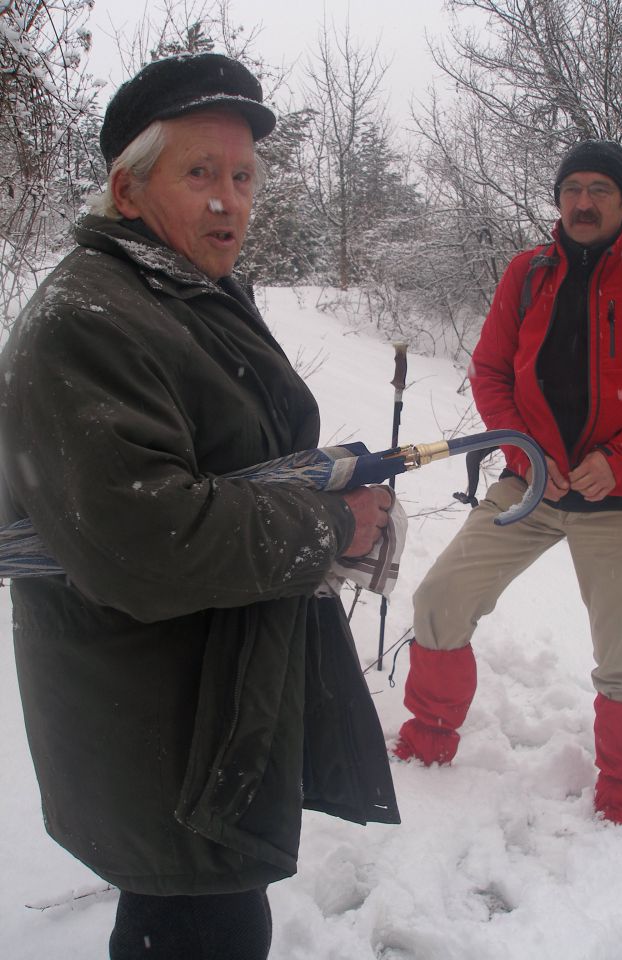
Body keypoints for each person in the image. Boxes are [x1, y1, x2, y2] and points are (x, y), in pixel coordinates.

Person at [0, 54, 400, 959]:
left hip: (205, 702)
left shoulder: (179, 291)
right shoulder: (88, 318)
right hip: (157, 720)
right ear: (128, 188)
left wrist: (317, 475)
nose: (231, 201)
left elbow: (230, 454)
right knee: (198, 925)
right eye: (200, 173)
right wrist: (329, 527)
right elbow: (146, 539)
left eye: (244, 176)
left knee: (200, 916)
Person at [393, 140, 622, 825]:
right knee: (441, 599)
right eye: (572, 188)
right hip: (529, 487)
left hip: (620, 501)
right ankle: (426, 747)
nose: (583, 201)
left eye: (600, 188)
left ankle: (620, 799)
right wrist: (527, 450)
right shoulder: (529, 273)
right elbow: (490, 371)